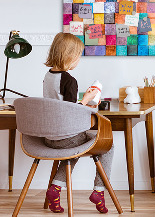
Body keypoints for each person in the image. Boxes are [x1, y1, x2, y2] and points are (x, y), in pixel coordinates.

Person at [43, 32, 113, 214]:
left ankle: (55, 189)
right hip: (66, 137)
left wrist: (82, 101)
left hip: (49, 137)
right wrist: (87, 100)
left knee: (74, 148)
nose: (78, 60)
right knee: (108, 145)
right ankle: (99, 191)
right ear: (69, 56)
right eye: (78, 56)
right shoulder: (69, 80)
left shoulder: (48, 76)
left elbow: (60, 105)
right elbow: (70, 112)